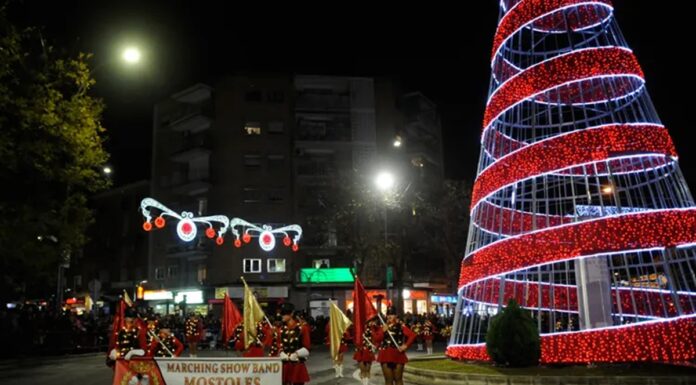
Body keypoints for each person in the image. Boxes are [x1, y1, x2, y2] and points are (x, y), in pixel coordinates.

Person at [374, 306, 416, 385]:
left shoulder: (401, 327)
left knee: (398, 379)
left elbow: (412, 335)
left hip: (398, 354)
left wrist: (406, 346)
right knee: (388, 380)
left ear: (396, 316)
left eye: (392, 314)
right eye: (388, 314)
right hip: (385, 355)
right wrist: (383, 331)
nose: (390, 316)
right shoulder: (382, 327)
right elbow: (376, 339)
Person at [277, 303, 311, 385]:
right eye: (282, 313)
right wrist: (281, 352)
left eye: (285, 313)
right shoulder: (281, 329)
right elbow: (279, 344)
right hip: (285, 364)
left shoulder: (302, 328)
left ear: (291, 313)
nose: (282, 316)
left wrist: (296, 354)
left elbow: (307, 347)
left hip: (297, 365)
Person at [353, 316, 380, 385]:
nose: (372, 322)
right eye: (370, 321)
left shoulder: (374, 328)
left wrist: (376, 347)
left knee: (368, 370)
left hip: (369, 350)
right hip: (360, 350)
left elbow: (377, 339)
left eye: (372, 321)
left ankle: (366, 383)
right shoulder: (360, 328)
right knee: (362, 370)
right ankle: (363, 383)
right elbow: (355, 338)